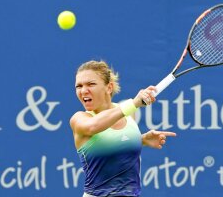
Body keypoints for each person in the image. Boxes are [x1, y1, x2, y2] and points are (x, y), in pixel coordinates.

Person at [70, 60, 176, 197]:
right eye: (79, 86)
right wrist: (134, 103)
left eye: (91, 84)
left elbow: (112, 142)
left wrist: (141, 140)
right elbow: (93, 126)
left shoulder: (125, 114)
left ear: (109, 87)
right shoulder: (79, 119)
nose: (84, 90)